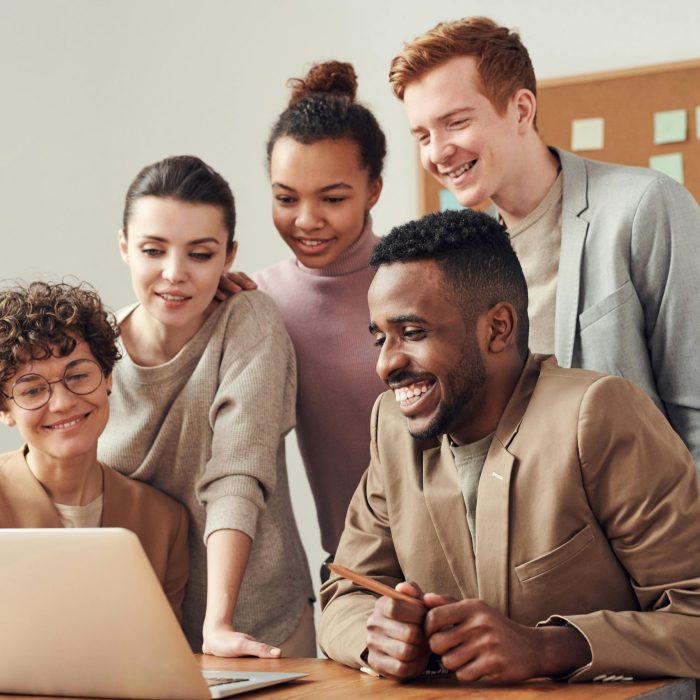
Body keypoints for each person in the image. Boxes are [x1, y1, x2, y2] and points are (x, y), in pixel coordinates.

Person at [319, 209, 700, 683]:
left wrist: (547, 647)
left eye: (412, 333)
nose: (385, 365)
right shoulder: (393, 427)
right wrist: (377, 639)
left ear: (498, 328)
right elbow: (344, 593)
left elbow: (693, 614)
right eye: (381, 338)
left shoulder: (596, 415)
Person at [388, 17, 700, 470]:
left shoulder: (643, 206)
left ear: (520, 110)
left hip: (651, 526)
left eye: (454, 123)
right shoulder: (465, 263)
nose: (437, 152)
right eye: (422, 136)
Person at [97, 155, 315, 657]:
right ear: (125, 247)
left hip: (254, 625)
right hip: (137, 631)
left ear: (228, 256)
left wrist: (217, 625)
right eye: (154, 250)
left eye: (200, 254)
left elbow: (236, 473)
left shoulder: (248, 322)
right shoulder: (95, 348)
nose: (174, 275)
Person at [253, 61, 387, 574]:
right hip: (356, 570)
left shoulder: (420, 280)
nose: (306, 221)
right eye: (286, 198)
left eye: (332, 199)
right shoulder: (260, 300)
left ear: (373, 189)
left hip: (466, 557)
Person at [0, 281, 189, 619]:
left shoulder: (164, 521)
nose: (63, 403)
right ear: (5, 412)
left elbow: (162, 657)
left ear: (107, 378)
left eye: (78, 376)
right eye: (32, 391)